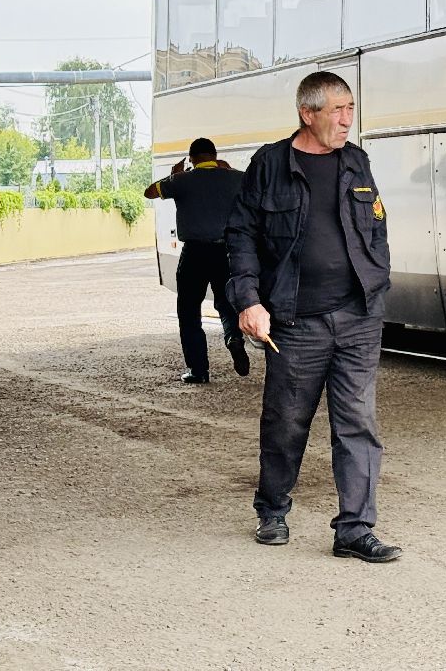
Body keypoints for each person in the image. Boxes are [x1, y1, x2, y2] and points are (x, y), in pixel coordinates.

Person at [225, 71, 400, 563]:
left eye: (351, 108)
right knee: (286, 421)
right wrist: (248, 301)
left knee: (357, 422)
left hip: (359, 316)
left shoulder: (356, 161)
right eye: (338, 109)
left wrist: (377, 278)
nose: (348, 118)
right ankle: (273, 510)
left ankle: (355, 528)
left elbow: (376, 226)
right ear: (308, 113)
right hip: (296, 322)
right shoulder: (270, 165)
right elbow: (241, 235)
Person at [144, 137, 249, 384]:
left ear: (191, 158)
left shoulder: (181, 181)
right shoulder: (236, 178)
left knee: (189, 311)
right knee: (226, 303)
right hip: (226, 252)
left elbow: (149, 192)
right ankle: (233, 337)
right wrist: (229, 169)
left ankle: (199, 370)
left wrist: (173, 176)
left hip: (194, 254)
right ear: (215, 156)